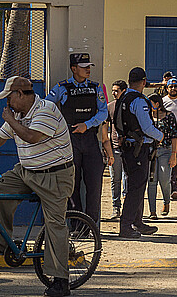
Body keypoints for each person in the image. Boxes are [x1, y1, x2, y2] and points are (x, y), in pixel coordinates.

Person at [0, 76, 75, 297]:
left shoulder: (46, 110)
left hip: (55, 175)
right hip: (26, 171)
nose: (7, 103)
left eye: (9, 97)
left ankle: (61, 280)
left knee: (54, 224)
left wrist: (12, 121)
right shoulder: (18, 114)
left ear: (20, 94)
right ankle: (0, 243)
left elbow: (31, 137)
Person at [46, 53, 108, 226]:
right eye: (84, 67)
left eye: (89, 66)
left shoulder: (96, 88)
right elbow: (47, 107)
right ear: (74, 69)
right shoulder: (62, 88)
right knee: (72, 186)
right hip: (69, 141)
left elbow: (103, 112)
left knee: (94, 186)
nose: (88, 69)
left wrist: (87, 125)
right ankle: (77, 226)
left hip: (89, 139)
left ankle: (92, 226)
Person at [115, 67, 164, 239]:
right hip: (138, 149)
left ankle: (137, 221)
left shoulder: (123, 98)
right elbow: (147, 127)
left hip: (128, 146)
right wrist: (160, 135)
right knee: (136, 188)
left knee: (136, 186)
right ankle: (127, 225)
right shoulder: (139, 101)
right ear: (144, 82)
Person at [146, 94, 177, 219]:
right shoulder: (147, 116)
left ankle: (166, 201)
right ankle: (152, 211)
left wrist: (174, 154)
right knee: (151, 181)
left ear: (157, 104)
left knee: (164, 179)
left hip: (165, 150)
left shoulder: (169, 116)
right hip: (150, 151)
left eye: (151, 103)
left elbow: (175, 136)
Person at [106, 80, 128, 220]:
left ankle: (127, 207)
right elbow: (105, 128)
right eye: (113, 90)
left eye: (117, 90)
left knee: (128, 178)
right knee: (115, 179)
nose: (114, 93)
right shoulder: (110, 107)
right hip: (114, 147)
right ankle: (116, 207)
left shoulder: (129, 106)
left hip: (128, 148)